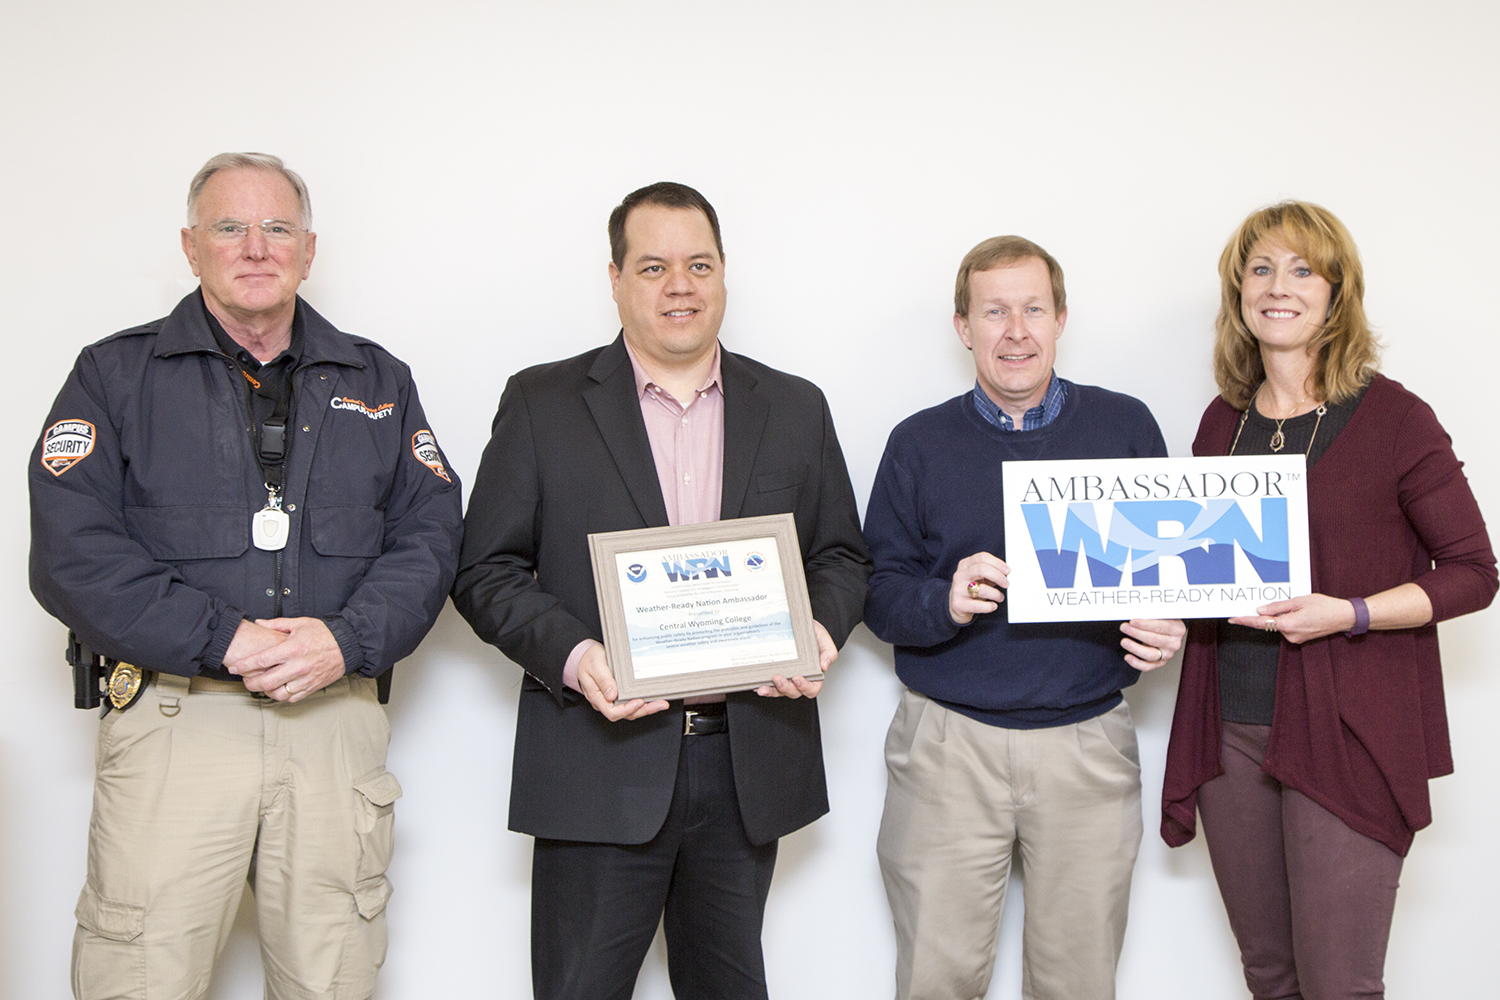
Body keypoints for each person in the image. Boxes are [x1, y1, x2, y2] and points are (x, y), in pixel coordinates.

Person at [30, 152, 464, 1000]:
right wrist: (221, 638)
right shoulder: (114, 376)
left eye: (278, 228)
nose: (256, 247)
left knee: (332, 977)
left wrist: (346, 641)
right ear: (191, 247)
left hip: (332, 724)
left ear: (310, 248)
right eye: (230, 227)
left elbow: (430, 537)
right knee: (138, 975)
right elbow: (72, 551)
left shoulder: (379, 381)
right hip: (175, 720)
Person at [451, 181, 870, 1000]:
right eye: (653, 266)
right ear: (614, 278)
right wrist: (575, 657)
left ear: (723, 276)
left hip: (745, 762)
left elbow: (843, 557)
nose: (680, 284)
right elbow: (484, 569)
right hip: (596, 764)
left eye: (698, 264)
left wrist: (815, 631)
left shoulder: (793, 405)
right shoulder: (542, 402)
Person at [1160, 201, 1497, 1000]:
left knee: (1339, 984)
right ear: (1238, 291)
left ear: (1338, 293)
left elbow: (1474, 571)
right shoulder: (1222, 423)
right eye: (1261, 269)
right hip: (1229, 732)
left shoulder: (1395, 419)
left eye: (1304, 269)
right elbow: (1205, 573)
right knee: (1270, 976)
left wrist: (1349, 613)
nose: (1280, 287)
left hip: (1345, 732)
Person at [862, 235, 1185, 1000]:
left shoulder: (1126, 429)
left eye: (1033, 308)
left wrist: (1170, 626)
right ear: (962, 325)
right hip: (947, 747)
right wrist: (942, 600)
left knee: (1079, 983)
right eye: (994, 310)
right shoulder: (918, 442)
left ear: (1061, 317)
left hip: (1086, 744)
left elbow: (1171, 573)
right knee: (935, 979)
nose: (1016, 330)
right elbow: (874, 593)